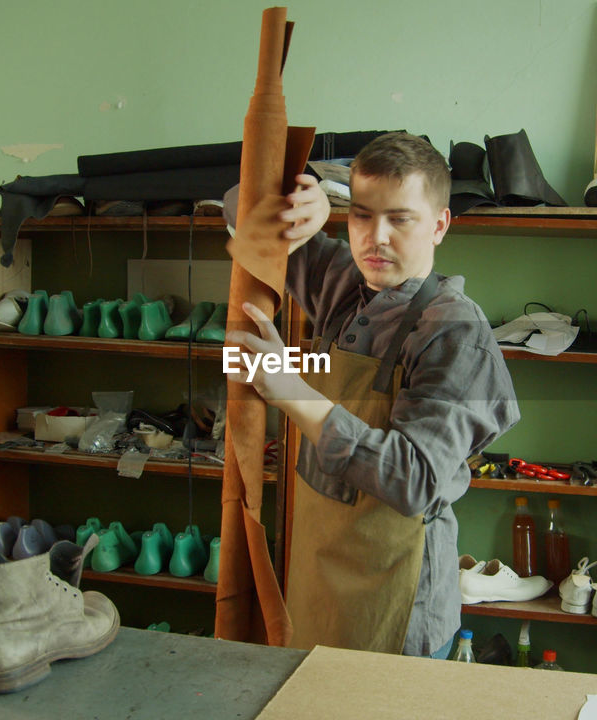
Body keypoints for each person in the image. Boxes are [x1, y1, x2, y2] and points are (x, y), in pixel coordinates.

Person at [225, 132, 519, 659]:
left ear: (439, 225)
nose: (374, 237)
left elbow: (412, 479)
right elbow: (236, 206)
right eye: (360, 215)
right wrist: (304, 196)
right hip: (319, 581)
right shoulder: (346, 284)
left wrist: (290, 389)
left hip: (398, 604)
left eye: (399, 219)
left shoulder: (454, 331)